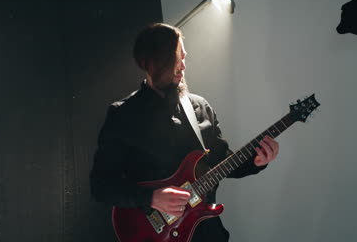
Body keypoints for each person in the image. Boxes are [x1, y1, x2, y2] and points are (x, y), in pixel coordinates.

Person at [90, 23, 279, 241]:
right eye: (174, 59)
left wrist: (256, 161)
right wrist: (151, 198)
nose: (182, 66)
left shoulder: (200, 107)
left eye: (184, 57)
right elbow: (101, 186)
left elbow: (222, 162)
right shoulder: (123, 114)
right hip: (156, 234)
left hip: (208, 232)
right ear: (149, 64)